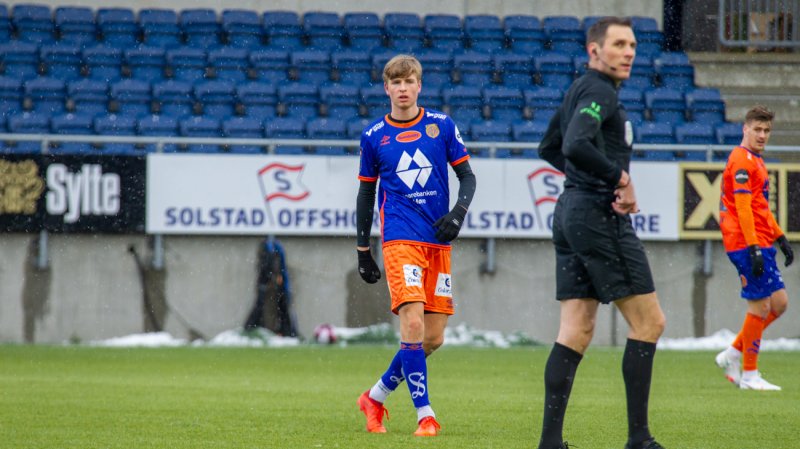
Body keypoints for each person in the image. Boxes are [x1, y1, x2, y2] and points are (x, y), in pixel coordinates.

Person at [535, 17, 666, 449]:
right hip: (595, 215)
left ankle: (550, 443)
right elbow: (574, 145)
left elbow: (549, 147)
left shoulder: (580, 89)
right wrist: (617, 179)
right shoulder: (597, 91)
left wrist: (593, 179)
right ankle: (639, 440)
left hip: (570, 212)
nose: (629, 52)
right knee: (649, 322)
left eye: (632, 44)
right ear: (595, 51)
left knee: (576, 329)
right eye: (619, 44)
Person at [354, 54, 476, 437]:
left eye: (409, 82)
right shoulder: (375, 136)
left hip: (437, 243)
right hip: (400, 241)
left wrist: (458, 213)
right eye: (396, 82)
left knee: (432, 338)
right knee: (412, 323)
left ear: (419, 86)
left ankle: (374, 397)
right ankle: (425, 415)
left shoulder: (442, 126)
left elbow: (468, 177)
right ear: (386, 88)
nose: (403, 89)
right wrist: (362, 250)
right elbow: (365, 193)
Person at [714, 105, 793, 391]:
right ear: (744, 129)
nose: (762, 135)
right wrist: (753, 248)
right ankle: (749, 374)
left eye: (766, 130)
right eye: (757, 129)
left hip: (761, 240)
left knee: (779, 303)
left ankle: (733, 352)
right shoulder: (742, 161)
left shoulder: (756, 160)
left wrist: (779, 237)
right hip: (746, 243)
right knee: (760, 306)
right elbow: (744, 208)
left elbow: (760, 207)